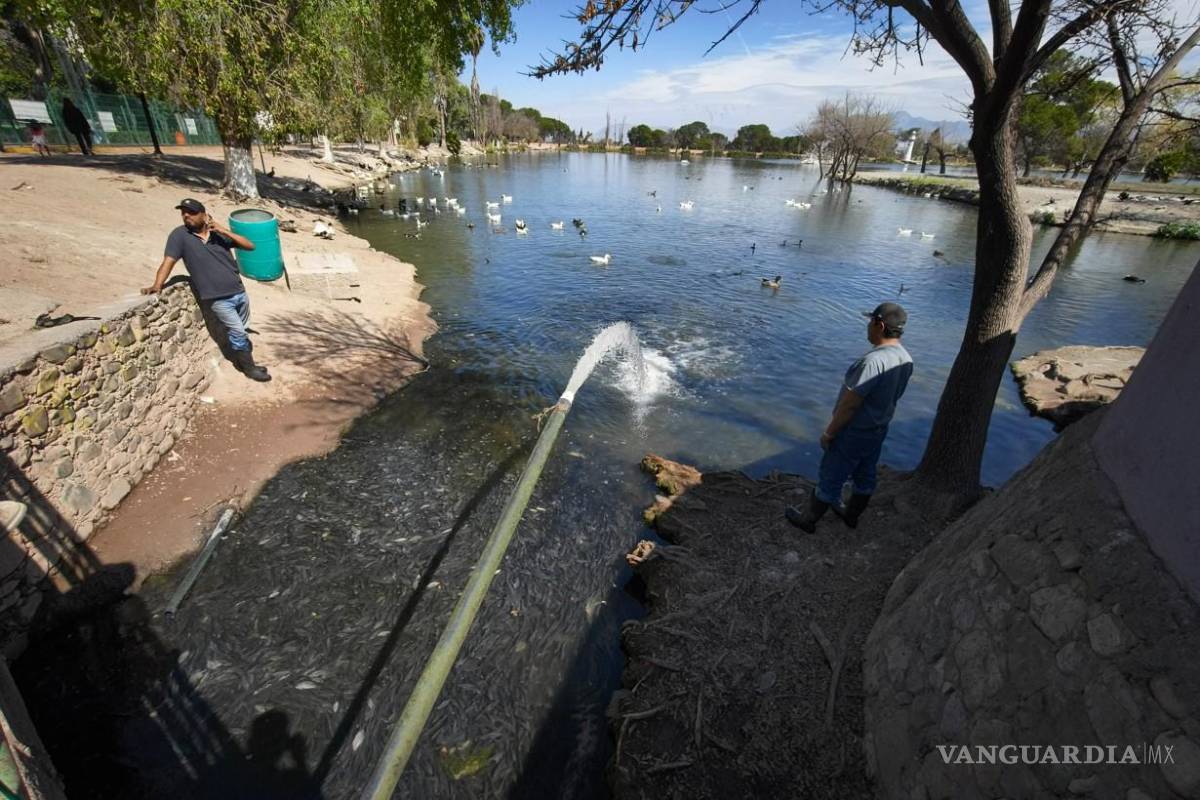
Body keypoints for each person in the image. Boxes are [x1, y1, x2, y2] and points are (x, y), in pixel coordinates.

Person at [786, 302, 913, 533]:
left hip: (853, 432)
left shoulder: (873, 362)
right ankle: (851, 516)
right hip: (878, 430)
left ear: (879, 324)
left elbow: (850, 405)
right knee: (865, 475)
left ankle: (808, 521)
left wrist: (829, 433)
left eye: (870, 321)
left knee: (831, 476)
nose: (867, 326)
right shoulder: (905, 359)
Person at [142, 199, 271, 381]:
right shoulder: (179, 236)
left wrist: (222, 230)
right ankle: (250, 369)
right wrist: (157, 285)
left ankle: (242, 361)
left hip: (238, 291)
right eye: (183, 212)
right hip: (217, 298)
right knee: (238, 332)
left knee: (241, 328)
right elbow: (168, 261)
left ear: (204, 214)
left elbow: (250, 246)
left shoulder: (218, 234)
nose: (186, 215)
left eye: (192, 212)